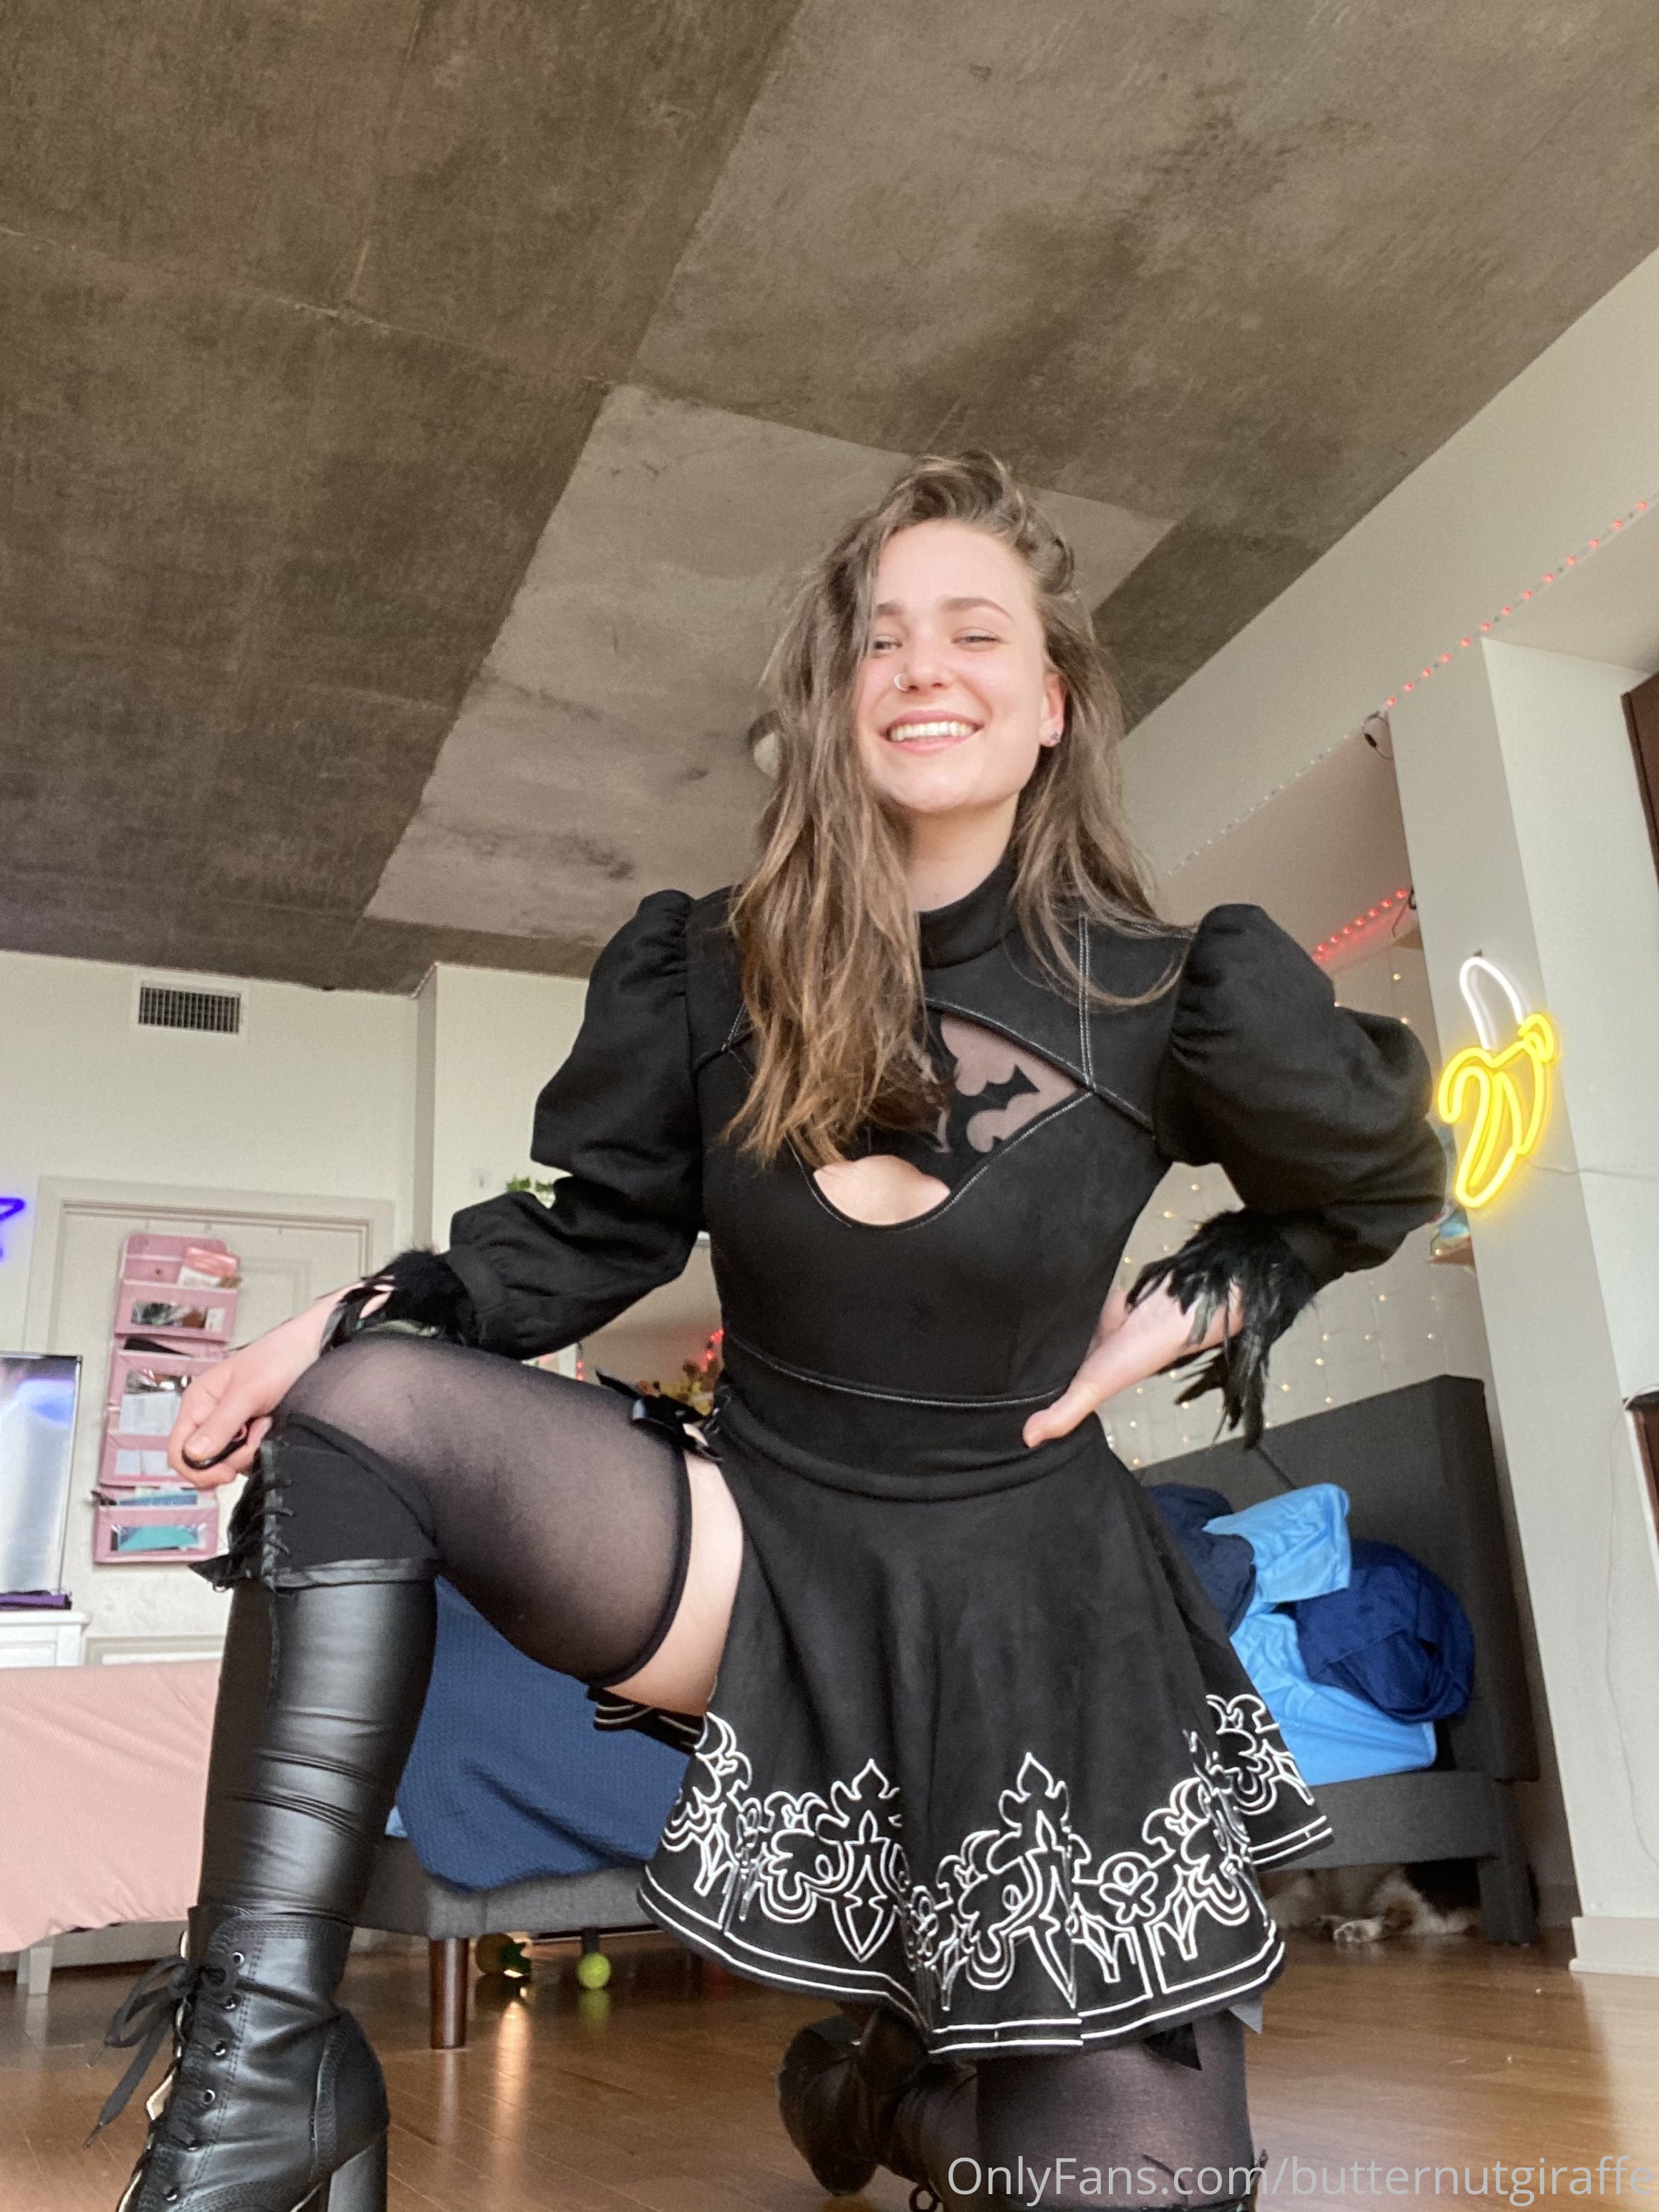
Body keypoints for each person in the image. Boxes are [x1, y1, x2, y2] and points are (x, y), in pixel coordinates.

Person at [92, 453, 1445, 2212]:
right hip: (760, 1544)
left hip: (1036, 1606)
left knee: (1140, 2189)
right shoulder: (707, 969)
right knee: (362, 1406)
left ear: (1052, 701)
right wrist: (338, 1323)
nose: (923, 665)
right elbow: (589, 1232)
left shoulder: (1172, 989)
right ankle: (267, 2077)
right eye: (882, 638)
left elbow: (1380, 1174)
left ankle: (895, 2093)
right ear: (837, 695)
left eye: (976, 631)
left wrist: (1212, 1289)